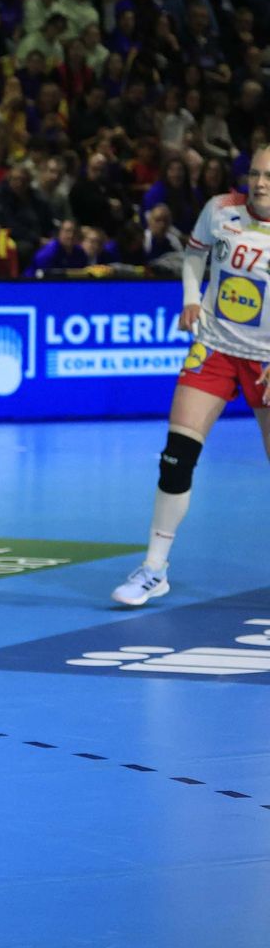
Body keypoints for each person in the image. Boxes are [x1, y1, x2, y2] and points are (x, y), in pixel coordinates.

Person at [113, 145, 270, 606]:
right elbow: (194, 257)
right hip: (216, 347)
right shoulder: (220, 210)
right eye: (256, 174)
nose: (260, 183)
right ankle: (154, 570)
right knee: (176, 457)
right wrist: (191, 297)